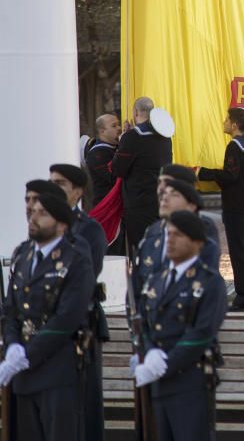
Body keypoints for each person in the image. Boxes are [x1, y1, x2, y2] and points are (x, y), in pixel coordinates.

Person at [0, 193, 95, 441]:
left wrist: (26, 354)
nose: (33, 218)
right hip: (24, 374)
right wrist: (12, 347)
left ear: (62, 223)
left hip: (57, 372)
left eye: (43, 214)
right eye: (32, 213)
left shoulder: (75, 259)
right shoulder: (23, 256)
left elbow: (67, 318)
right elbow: (11, 310)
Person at [134, 210, 227, 441]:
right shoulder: (158, 277)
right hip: (157, 383)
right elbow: (145, 321)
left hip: (189, 382)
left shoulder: (209, 281)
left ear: (197, 242)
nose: (170, 240)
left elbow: (203, 331)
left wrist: (166, 362)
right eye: (168, 234)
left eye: (178, 235)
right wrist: (148, 351)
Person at [48, 163, 109, 441]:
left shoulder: (90, 230)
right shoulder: (44, 228)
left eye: (60, 184)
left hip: (78, 329)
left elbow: (84, 279)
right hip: (46, 330)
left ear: (78, 191)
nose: (53, 190)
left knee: (83, 410)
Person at [198, 108, 244, 312]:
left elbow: (230, 175)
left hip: (236, 205)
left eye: (227, 120)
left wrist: (204, 173)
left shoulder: (234, 147)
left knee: (239, 253)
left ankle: (243, 298)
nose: (225, 122)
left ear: (235, 125)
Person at [133, 178, 221, 294]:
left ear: (191, 206)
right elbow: (138, 288)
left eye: (174, 195)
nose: (164, 198)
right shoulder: (150, 240)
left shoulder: (204, 240)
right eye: (164, 193)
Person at [112, 97, 173, 251]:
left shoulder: (132, 137)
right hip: (160, 198)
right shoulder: (165, 135)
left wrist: (123, 140)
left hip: (138, 202)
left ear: (136, 112)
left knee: (140, 249)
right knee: (159, 248)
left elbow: (118, 169)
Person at [85, 113, 122, 206]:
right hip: (106, 206)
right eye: (114, 126)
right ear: (102, 131)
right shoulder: (96, 154)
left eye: (119, 124)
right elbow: (113, 177)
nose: (119, 128)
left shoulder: (117, 147)